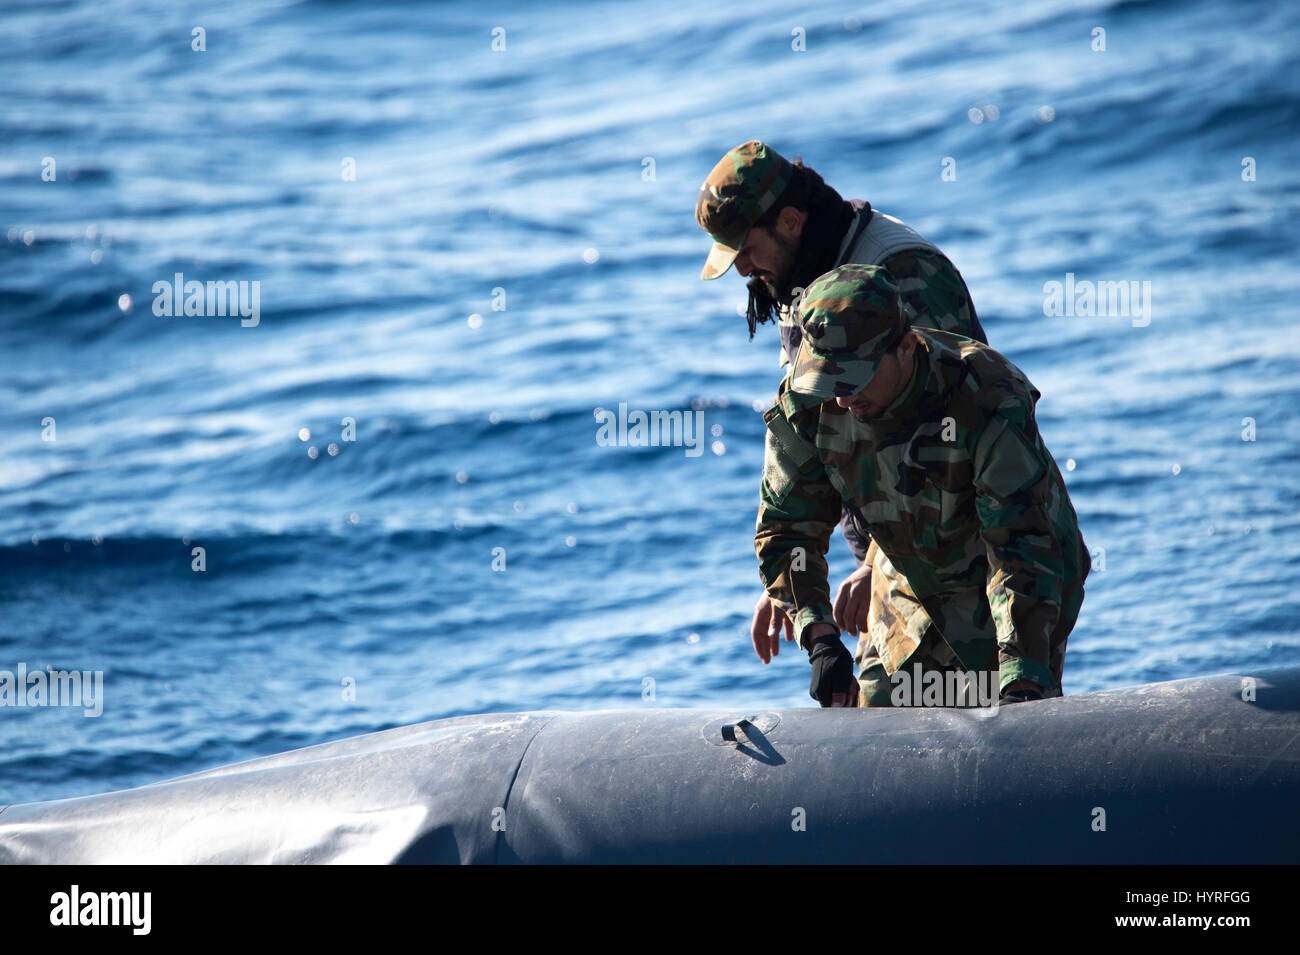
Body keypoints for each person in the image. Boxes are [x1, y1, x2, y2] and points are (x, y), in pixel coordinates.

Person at [695, 140, 988, 700]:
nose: (742, 272)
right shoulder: (794, 280)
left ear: (789, 221)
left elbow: (958, 441)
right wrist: (794, 579)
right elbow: (816, 442)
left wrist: (879, 562)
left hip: (959, 561)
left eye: (746, 251)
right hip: (883, 559)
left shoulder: (905, 277)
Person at [754, 264, 1088, 707]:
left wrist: (1021, 678)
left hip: (1013, 581)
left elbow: (1020, 549)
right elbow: (788, 528)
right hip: (906, 576)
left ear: (907, 346)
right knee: (876, 730)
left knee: (1007, 721)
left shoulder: (986, 398)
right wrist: (819, 636)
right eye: (830, 380)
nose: (843, 398)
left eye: (856, 376)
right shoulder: (810, 398)